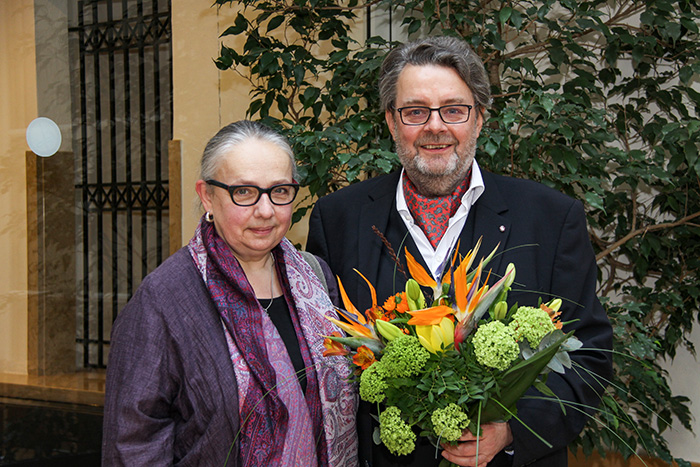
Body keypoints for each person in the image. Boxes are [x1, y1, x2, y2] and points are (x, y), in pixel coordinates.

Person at [306, 36, 613, 467]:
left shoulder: (551, 218)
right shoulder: (338, 219)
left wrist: (511, 431)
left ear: (480, 118)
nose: (435, 127)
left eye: (454, 109)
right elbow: (323, 361)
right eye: (415, 111)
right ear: (392, 122)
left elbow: (591, 352)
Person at [103, 120, 358, 466]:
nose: (265, 210)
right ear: (207, 195)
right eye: (244, 192)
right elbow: (131, 446)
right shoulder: (165, 299)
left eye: (279, 191)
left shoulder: (315, 278)